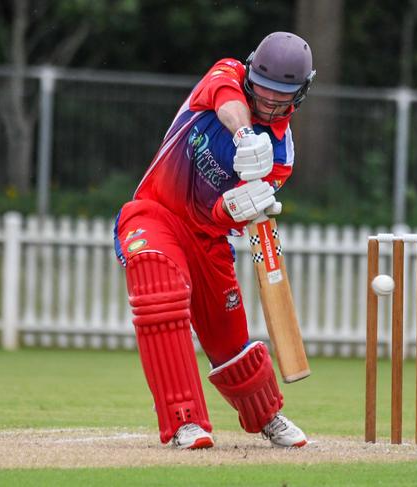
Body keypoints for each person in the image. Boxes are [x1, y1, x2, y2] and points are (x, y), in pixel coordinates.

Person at [113, 32, 316, 450]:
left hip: (209, 239)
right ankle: (184, 421)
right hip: (156, 211)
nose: (269, 102)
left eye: (282, 96)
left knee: (228, 341)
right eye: (262, 90)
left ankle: (266, 415)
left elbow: (223, 216)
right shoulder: (226, 74)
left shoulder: (281, 157)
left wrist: (241, 204)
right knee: (158, 284)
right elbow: (226, 99)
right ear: (250, 74)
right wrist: (245, 136)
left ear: (300, 95)